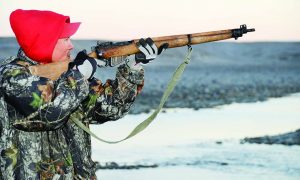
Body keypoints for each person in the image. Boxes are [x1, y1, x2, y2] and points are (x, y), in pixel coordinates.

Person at [0, 9, 167, 179]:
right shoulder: (12, 77)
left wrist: (133, 66)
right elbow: (50, 113)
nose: (71, 45)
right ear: (44, 42)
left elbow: (111, 108)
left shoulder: (69, 74)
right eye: (65, 39)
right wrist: (79, 75)